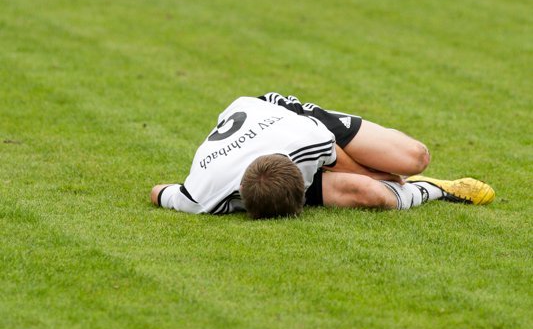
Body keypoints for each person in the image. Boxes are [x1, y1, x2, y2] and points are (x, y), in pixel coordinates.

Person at [151, 92, 495, 219]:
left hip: (283, 115)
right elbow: (158, 191)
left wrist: (385, 176)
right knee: (371, 195)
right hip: (258, 155)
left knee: (413, 158)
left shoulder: (306, 139)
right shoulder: (200, 196)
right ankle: (434, 188)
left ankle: (414, 175)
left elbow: (341, 159)